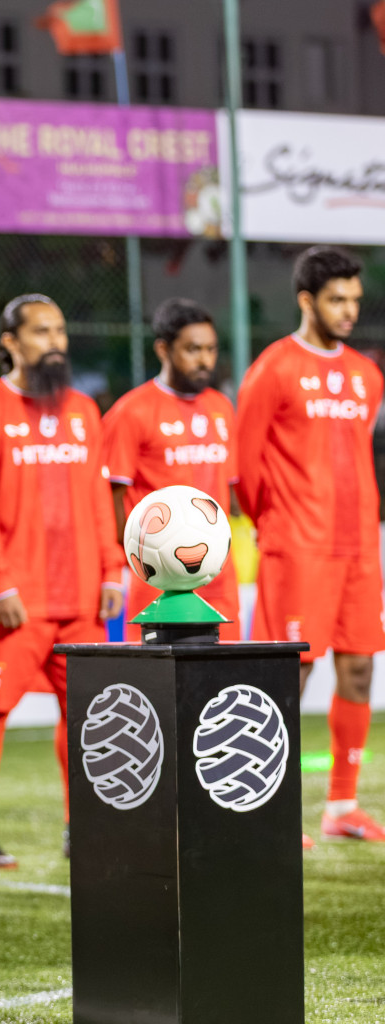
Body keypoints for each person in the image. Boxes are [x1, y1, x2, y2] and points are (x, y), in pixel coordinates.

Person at [0, 294, 123, 869]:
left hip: (81, 596)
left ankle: (85, 827)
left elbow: (101, 499)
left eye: (60, 330)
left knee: (88, 715)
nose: (55, 341)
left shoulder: (83, 409)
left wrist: (112, 566)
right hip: (17, 600)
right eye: (41, 331)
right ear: (10, 343)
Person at [235, 246, 385, 844]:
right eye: (336, 300)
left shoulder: (367, 374)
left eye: (355, 299)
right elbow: (244, 470)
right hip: (297, 546)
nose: (349, 311)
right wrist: (277, 525)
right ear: (307, 301)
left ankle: (341, 805)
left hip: (358, 549)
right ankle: (267, 806)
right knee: (287, 675)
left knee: (358, 670)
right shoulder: (273, 368)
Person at [102, 298, 240, 640]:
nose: (205, 359)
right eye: (193, 349)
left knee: (225, 680)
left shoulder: (221, 408)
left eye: (211, 349)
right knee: (159, 685)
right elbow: (110, 501)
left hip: (219, 576)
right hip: (159, 577)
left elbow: (230, 491)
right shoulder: (131, 412)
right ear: (163, 349)